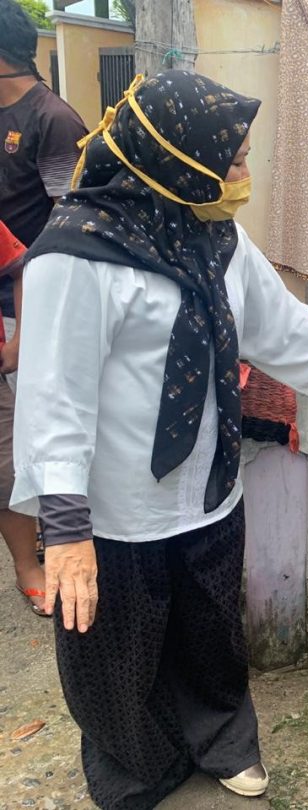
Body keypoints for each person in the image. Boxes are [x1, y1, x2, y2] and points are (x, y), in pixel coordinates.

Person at [10, 71, 308, 809]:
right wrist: (67, 529)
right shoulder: (72, 257)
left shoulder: (214, 231)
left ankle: (222, 741)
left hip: (208, 485)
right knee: (118, 653)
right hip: (114, 506)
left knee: (212, 636)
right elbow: (55, 396)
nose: (243, 173)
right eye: (233, 158)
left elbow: (276, 323)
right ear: (172, 156)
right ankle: (136, 770)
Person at [0, 0, 86, 615]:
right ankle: (30, 556)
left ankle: (49, 551)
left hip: (26, 300)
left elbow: (71, 221)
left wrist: (34, 322)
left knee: (29, 438)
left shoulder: (52, 118)